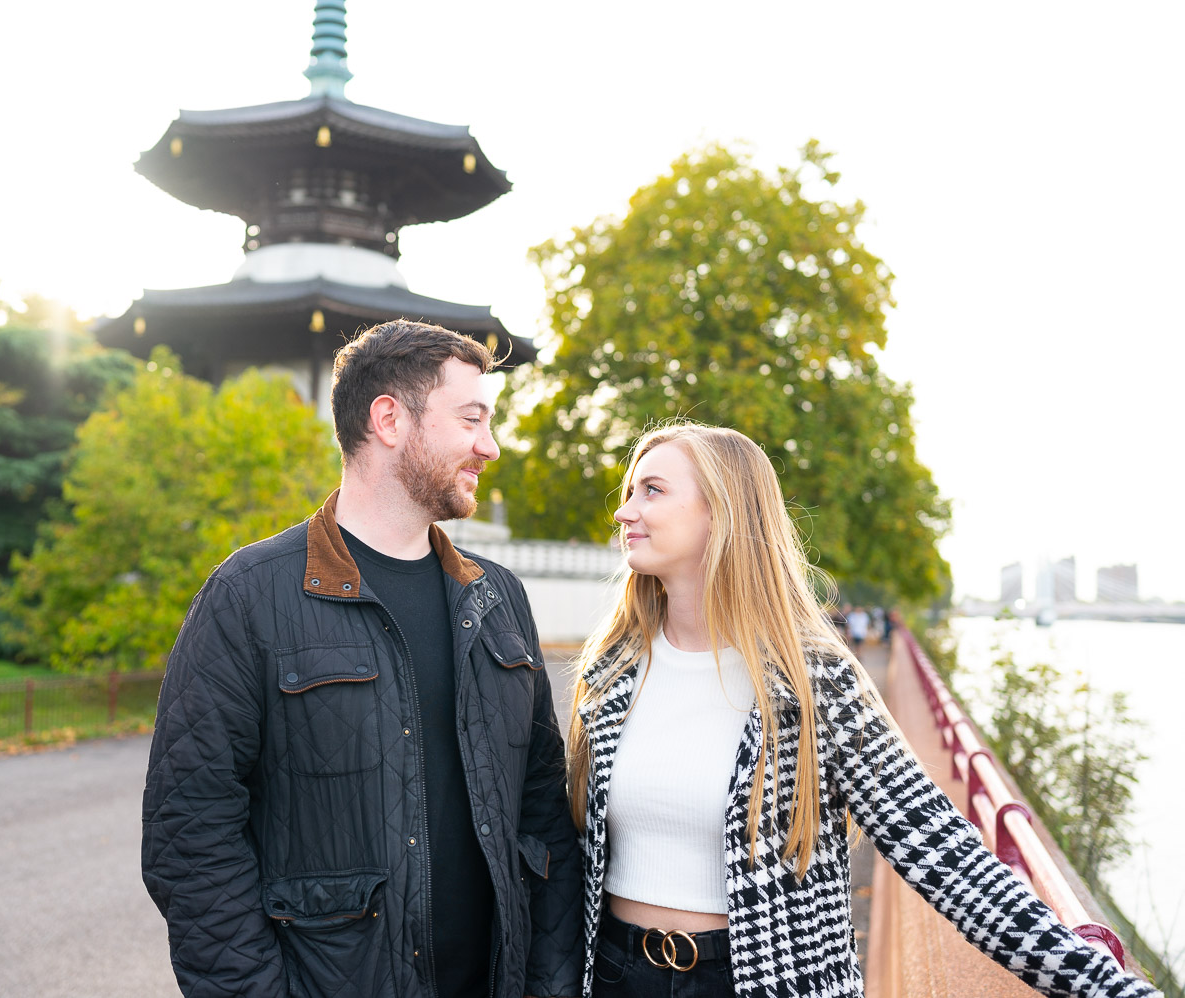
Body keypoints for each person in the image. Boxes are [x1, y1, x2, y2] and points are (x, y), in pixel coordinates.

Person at [568, 421, 1159, 998]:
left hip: (762, 981)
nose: (625, 511)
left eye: (653, 490)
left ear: (721, 514)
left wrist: (1101, 983)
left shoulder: (813, 681)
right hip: (618, 973)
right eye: (630, 492)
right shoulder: (611, 670)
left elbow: (938, 847)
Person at [141, 319, 584, 998]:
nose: (490, 446)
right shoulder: (248, 596)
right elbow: (190, 837)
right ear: (389, 419)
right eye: (472, 419)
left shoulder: (500, 599)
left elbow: (543, 816)